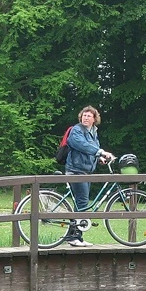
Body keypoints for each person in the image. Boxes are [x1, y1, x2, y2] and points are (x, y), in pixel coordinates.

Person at [63, 105, 116, 246]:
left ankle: (77, 236)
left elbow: (90, 150)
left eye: (89, 116)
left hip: (85, 172)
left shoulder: (93, 132)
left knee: (82, 204)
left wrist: (99, 159)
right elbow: (81, 145)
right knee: (82, 202)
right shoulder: (77, 130)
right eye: (84, 115)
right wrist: (100, 152)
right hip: (75, 171)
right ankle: (73, 237)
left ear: (94, 119)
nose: (85, 117)